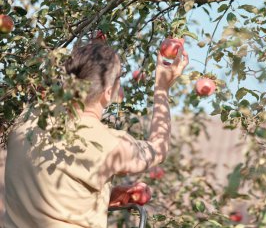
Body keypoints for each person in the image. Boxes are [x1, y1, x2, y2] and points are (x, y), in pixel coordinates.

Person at [3, 42, 188, 228]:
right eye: (119, 77)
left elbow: (43, 196)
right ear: (108, 92)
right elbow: (159, 147)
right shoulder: (109, 144)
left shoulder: (30, 117)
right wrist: (162, 88)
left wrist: (105, 197)